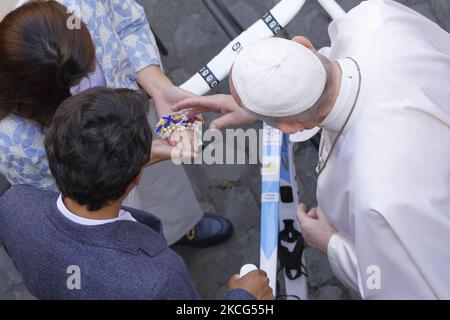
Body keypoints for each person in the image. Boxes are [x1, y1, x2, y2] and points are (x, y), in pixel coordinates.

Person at [173, 0, 450, 299]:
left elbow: (408, 285)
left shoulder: (375, 198)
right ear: (304, 45)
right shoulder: (372, 17)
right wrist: (272, 104)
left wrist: (332, 243)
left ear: (289, 128)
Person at [0, 87, 274, 300]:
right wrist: (244, 300)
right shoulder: (158, 279)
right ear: (138, 176)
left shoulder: (14, 204)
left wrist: (135, 159)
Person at [0, 0, 232, 247]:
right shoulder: (13, 143)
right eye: (82, 76)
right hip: (101, 192)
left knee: (165, 184)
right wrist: (138, 156)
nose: (95, 67)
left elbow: (128, 23)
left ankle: (182, 225)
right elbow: (69, 205)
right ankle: (150, 251)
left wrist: (159, 86)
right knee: (130, 230)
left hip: (142, 119)